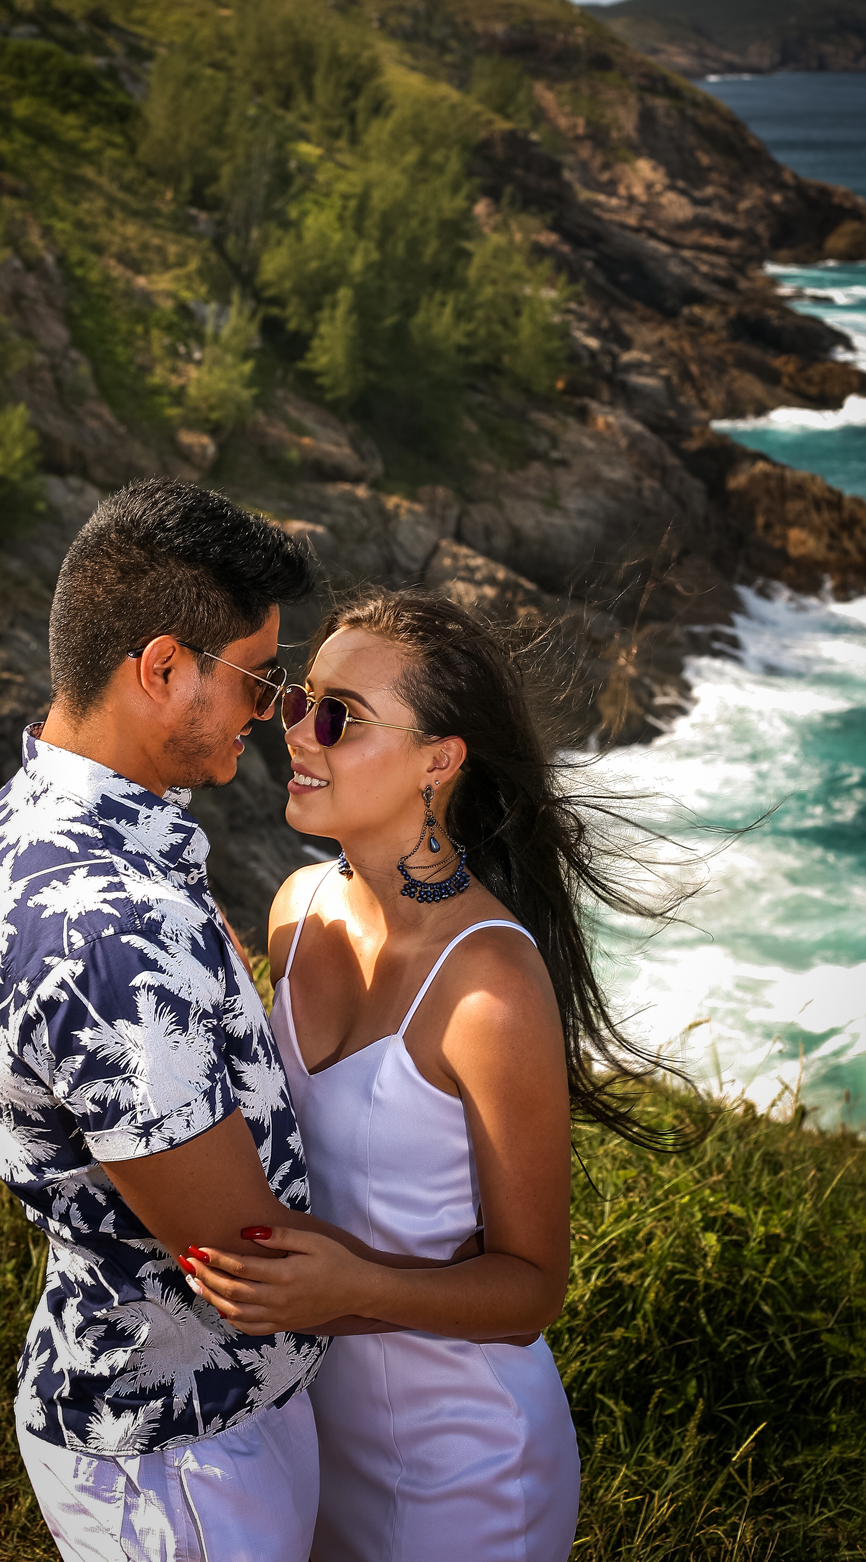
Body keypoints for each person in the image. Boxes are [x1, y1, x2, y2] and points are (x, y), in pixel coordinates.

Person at [0, 484, 466, 1562]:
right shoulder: (115, 930)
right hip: (185, 1455)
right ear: (163, 669)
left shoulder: (26, 818)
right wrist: (483, 1309)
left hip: (154, 1407)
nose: (275, 713)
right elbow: (247, 1258)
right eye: (261, 680)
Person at [186, 591, 674, 1562]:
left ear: (438, 762)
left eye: (341, 718)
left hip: (467, 1472)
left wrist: (352, 1287)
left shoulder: (492, 986)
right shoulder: (297, 908)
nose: (301, 735)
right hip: (315, 1443)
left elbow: (532, 1289)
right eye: (298, 700)